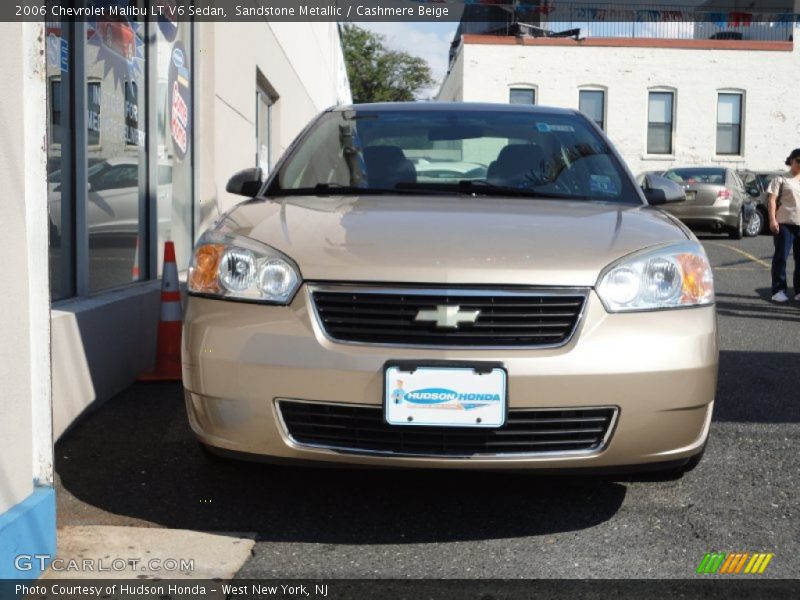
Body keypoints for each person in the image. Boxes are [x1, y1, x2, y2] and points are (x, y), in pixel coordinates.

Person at [768, 148, 800, 302]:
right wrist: (772, 220)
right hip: (785, 223)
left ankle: (799, 290)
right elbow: (772, 200)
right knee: (781, 257)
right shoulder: (781, 179)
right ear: (791, 161)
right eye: (798, 161)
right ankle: (778, 290)